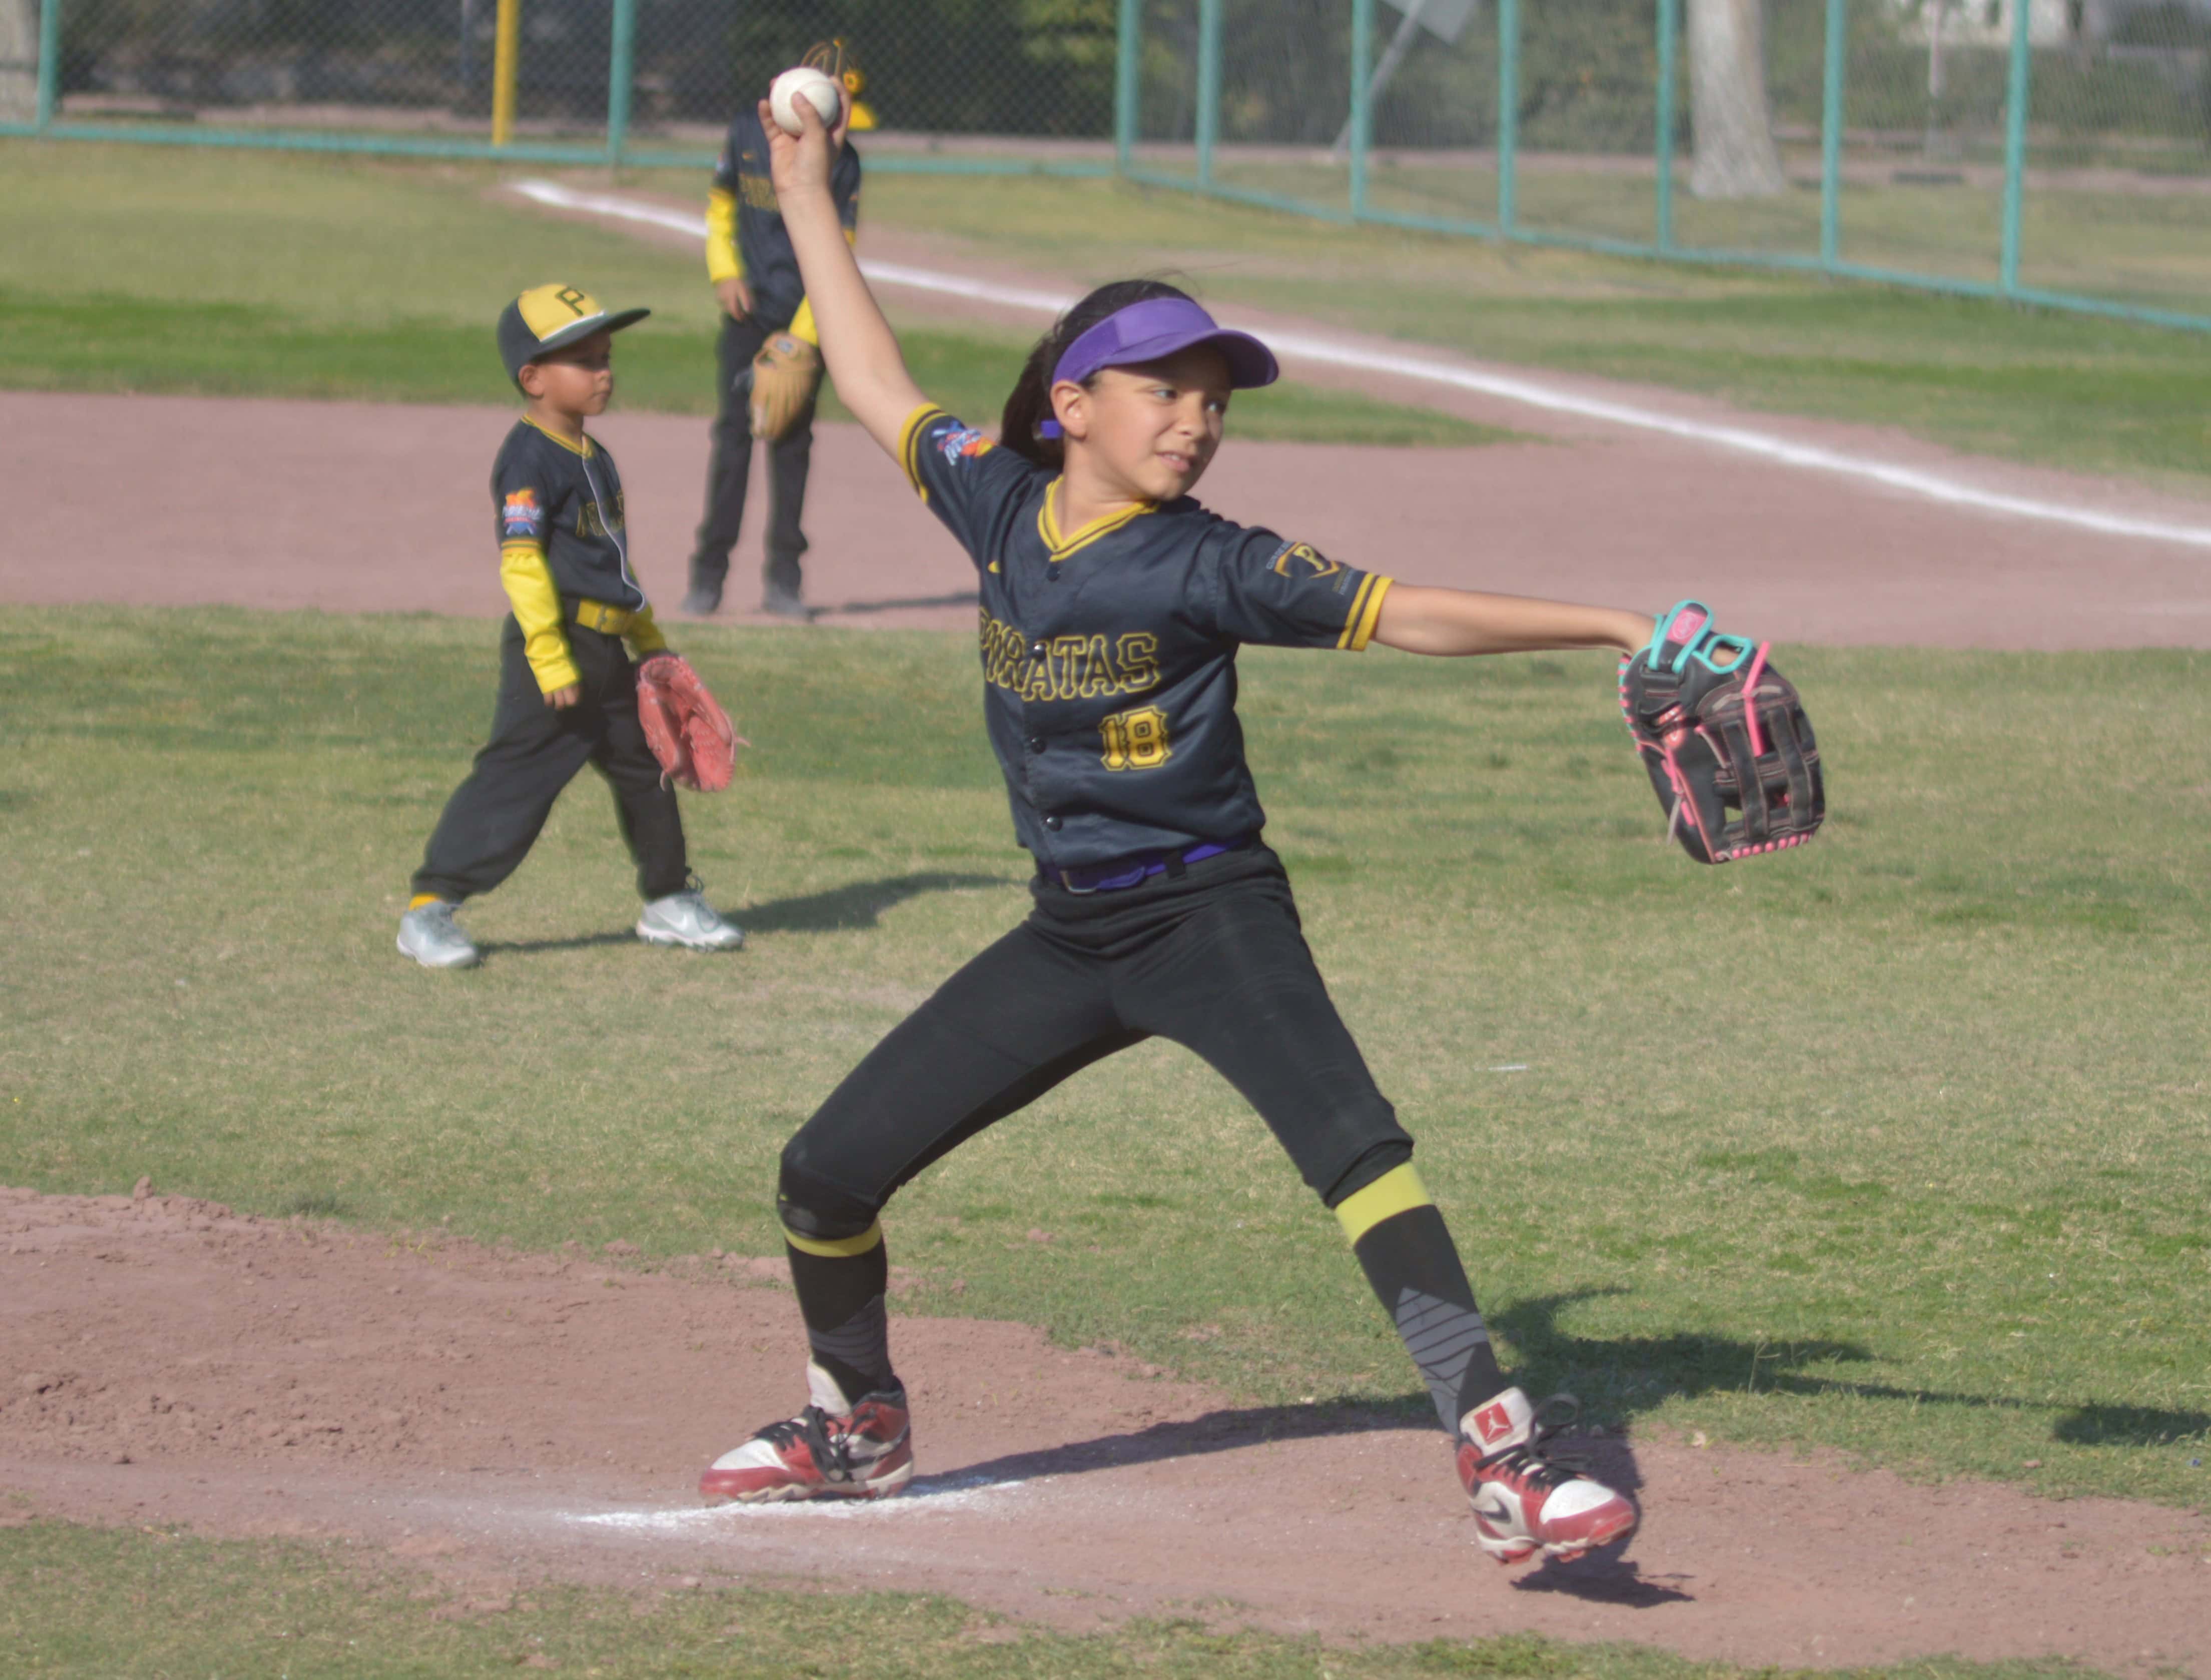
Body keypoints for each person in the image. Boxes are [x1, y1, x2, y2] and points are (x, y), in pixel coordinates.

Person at [698, 98, 1649, 1568]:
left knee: (1361, 1159)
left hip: (1212, 917)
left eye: (1215, 396)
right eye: (1165, 389)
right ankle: (856, 1418)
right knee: (823, 1173)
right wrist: (804, 195)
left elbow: (1408, 614)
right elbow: (872, 372)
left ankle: (1500, 1453)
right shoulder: (996, 503)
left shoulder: (1218, 562)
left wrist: (1610, 624)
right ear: (1071, 403)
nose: (1198, 416)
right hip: (1069, 931)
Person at [397, 285, 745, 971]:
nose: (603, 371)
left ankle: (669, 899)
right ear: (532, 378)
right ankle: (429, 908)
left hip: (607, 650)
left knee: (647, 770)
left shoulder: (594, 455)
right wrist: (551, 659)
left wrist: (648, 642)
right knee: (517, 780)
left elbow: (612, 560)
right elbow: (523, 564)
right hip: (554, 652)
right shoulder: (528, 460)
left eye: (605, 356)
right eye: (582, 360)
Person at [682, 40, 866, 622]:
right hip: (747, 312)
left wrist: (806, 337)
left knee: (791, 449)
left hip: (803, 322)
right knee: (732, 444)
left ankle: (784, 579)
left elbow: (842, 250)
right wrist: (724, 272)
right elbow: (719, 208)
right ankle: (707, 577)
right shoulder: (743, 132)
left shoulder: (846, 162)